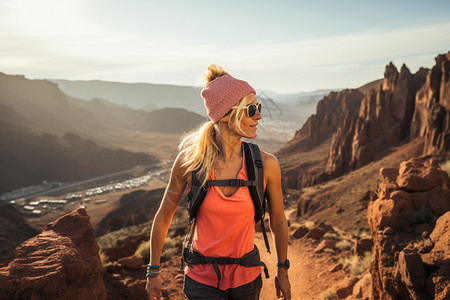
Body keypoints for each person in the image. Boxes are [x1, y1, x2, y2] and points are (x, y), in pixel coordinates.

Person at [145, 64, 291, 300]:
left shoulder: (267, 164)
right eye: (251, 109)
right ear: (226, 114)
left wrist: (282, 271)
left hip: (247, 279)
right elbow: (163, 216)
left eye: (259, 107)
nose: (259, 115)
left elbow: (277, 220)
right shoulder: (189, 163)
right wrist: (153, 270)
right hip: (201, 280)